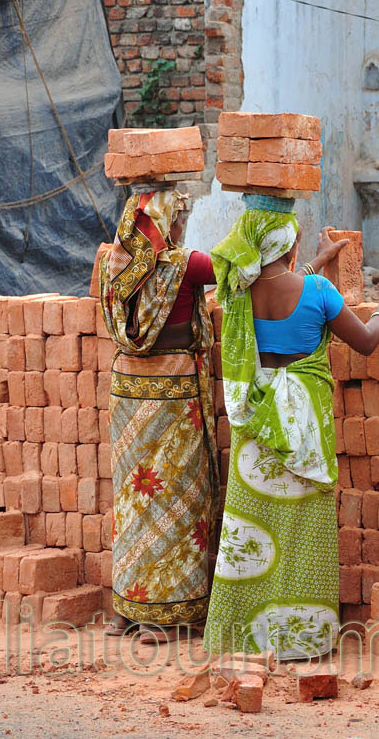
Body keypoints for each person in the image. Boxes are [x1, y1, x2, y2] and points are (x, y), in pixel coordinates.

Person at [203, 194, 379, 660]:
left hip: (255, 432)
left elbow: (278, 285)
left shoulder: (236, 295)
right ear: (289, 241)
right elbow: (366, 342)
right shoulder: (319, 295)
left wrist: (315, 259)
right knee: (301, 535)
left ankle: (240, 637)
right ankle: (302, 642)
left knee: (251, 535)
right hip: (302, 436)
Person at [98, 186, 218, 642]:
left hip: (127, 397)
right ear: (166, 221)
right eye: (179, 215)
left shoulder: (116, 264)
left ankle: (124, 612)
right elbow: (241, 272)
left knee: (132, 505)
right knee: (175, 504)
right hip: (171, 400)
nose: (183, 223)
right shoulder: (185, 264)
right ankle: (165, 617)